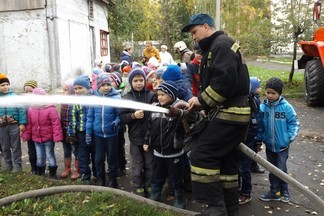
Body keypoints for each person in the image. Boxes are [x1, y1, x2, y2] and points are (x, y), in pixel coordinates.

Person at [182, 13, 251, 215]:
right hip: (229, 114)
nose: (193, 37)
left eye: (194, 32)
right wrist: (201, 104)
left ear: (206, 26)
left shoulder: (221, 45)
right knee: (225, 162)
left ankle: (215, 208)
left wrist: (201, 100)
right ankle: (230, 209)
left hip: (230, 115)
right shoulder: (216, 47)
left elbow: (224, 82)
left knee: (202, 155)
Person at [256, 77, 300, 203]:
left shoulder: (287, 107)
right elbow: (260, 126)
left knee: (281, 170)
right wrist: (261, 139)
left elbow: (295, 123)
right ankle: (274, 191)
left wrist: (289, 138)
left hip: (282, 147)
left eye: (273, 93)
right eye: (268, 92)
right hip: (270, 146)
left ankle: (285, 191)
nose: (269, 95)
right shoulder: (263, 108)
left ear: (279, 93)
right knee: (272, 169)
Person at [146, 81, 188, 208]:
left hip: (174, 152)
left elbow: (189, 125)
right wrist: (146, 141)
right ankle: (155, 194)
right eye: (158, 95)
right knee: (157, 174)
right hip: (158, 152)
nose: (159, 97)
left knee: (176, 178)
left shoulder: (180, 108)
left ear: (172, 95)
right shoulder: (155, 108)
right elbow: (149, 127)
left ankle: (179, 199)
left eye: (163, 94)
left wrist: (182, 114)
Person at [119, 67, 154, 197]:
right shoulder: (126, 98)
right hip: (135, 138)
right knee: (137, 164)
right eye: (135, 80)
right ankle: (138, 186)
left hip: (149, 138)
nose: (139, 83)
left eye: (141, 80)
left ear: (145, 81)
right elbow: (122, 117)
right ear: (131, 82)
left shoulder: (151, 96)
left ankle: (149, 185)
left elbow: (155, 114)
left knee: (150, 163)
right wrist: (133, 116)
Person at [86, 72, 121, 188]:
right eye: (103, 85)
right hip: (98, 135)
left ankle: (112, 180)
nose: (106, 87)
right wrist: (88, 133)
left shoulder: (116, 98)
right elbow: (90, 117)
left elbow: (119, 115)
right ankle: (101, 179)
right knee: (98, 159)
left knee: (112, 159)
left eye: (108, 84)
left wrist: (116, 122)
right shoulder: (94, 99)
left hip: (112, 135)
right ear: (98, 86)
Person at [21, 88, 63, 178]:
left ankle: (53, 174)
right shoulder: (31, 110)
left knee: (50, 155)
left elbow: (56, 124)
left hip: (48, 139)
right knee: (40, 156)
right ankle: (41, 173)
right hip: (36, 139)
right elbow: (29, 125)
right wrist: (26, 136)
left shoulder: (51, 110)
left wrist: (57, 137)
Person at [238, 77, 262, 205]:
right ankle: (237, 189)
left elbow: (255, 124)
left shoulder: (253, 103)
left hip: (247, 142)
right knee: (237, 167)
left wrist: (255, 141)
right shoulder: (244, 100)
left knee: (244, 169)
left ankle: (246, 193)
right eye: (258, 86)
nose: (261, 89)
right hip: (239, 141)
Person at [68, 75, 94, 182]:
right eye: (76, 88)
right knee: (82, 155)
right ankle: (85, 176)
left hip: (94, 132)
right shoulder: (75, 102)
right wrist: (71, 133)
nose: (78, 91)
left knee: (96, 155)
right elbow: (72, 118)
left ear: (87, 88)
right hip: (81, 132)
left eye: (80, 88)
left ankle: (97, 175)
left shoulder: (94, 98)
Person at [0, 74, 27, 173]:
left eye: (7, 84)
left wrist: (22, 123)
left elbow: (21, 110)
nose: (6, 87)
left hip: (14, 126)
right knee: (4, 147)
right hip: (2, 127)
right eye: (2, 85)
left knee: (16, 147)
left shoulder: (14, 97)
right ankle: (8, 165)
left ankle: (17, 166)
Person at [60, 79, 76, 179]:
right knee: (66, 151)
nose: (62, 92)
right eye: (62, 89)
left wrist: (73, 132)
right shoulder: (63, 102)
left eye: (65, 90)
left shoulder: (75, 102)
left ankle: (78, 170)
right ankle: (67, 169)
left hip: (73, 133)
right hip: (64, 131)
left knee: (76, 151)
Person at [23, 80, 38, 174]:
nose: (28, 94)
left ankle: (41, 168)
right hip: (30, 132)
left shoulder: (41, 103)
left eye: (30, 91)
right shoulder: (24, 104)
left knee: (40, 152)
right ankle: (33, 168)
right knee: (31, 151)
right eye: (26, 92)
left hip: (40, 132)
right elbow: (23, 120)